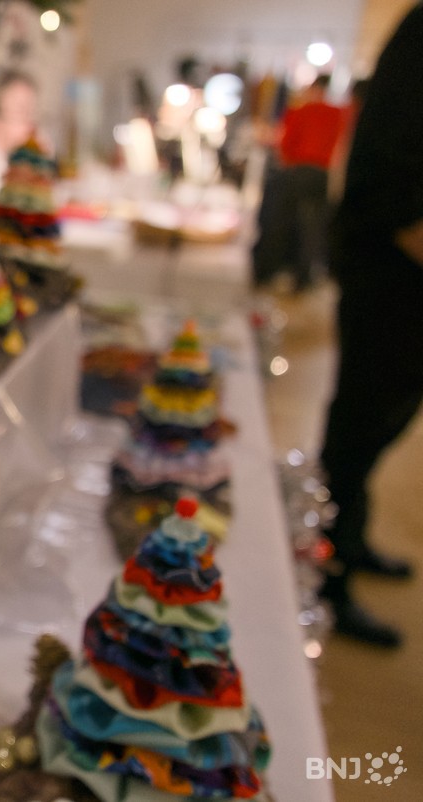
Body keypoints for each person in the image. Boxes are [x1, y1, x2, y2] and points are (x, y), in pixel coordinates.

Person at [319, 1, 423, 648]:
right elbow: (387, 173)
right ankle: (326, 572)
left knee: (386, 420)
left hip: (401, 272)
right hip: (392, 272)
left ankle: (348, 541)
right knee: (359, 426)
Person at [252, 75, 347, 292]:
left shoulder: (300, 110)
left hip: (298, 171)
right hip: (322, 175)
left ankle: (270, 272)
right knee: (312, 226)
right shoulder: (337, 113)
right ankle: (303, 276)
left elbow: (285, 144)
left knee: (282, 221)